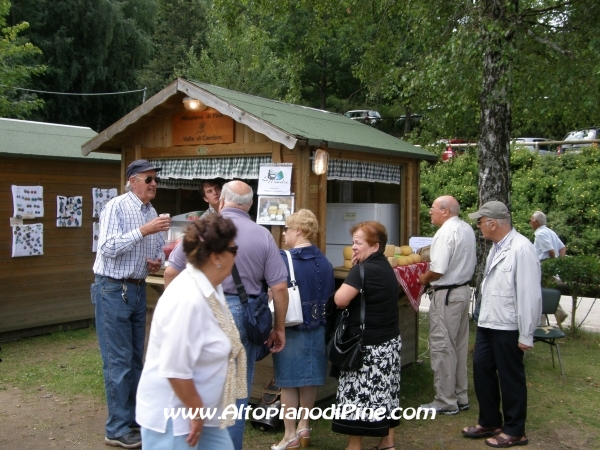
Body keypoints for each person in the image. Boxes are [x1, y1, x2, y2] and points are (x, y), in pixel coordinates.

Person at [164, 180, 289, 450]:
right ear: (250, 205)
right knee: (236, 389)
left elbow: (171, 272)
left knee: (198, 380)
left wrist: (176, 309)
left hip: (201, 311)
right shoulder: (263, 235)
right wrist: (279, 328)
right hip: (244, 316)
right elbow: (279, 287)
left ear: (221, 202)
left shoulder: (203, 230)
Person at [136, 215, 246, 450]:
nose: (237, 254)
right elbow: (174, 368)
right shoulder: (187, 299)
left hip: (202, 414)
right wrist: (196, 412)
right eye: (233, 248)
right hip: (176, 417)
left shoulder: (210, 287)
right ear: (216, 257)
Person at [92, 159, 172, 448]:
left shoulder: (151, 211)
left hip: (137, 289)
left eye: (155, 179)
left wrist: (156, 261)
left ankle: (135, 420)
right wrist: (144, 231)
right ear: (133, 181)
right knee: (118, 362)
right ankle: (116, 428)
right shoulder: (116, 206)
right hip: (111, 289)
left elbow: (156, 254)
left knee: (137, 360)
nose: (153, 184)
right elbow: (108, 248)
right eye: (148, 179)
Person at [462, 201, 542, 448]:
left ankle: (515, 430)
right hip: (489, 321)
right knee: (482, 369)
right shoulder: (497, 247)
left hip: (508, 325)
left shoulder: (522, 249)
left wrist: (527, 334)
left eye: (480, 221)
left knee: (510, 377)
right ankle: (489, 420)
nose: (478, 226)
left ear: (492, 223)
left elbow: (530, 294)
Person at [332, 221, 401, 450]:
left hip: (366, 347)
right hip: (389, 343)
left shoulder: (362, 270)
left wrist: (355, 270)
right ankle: (387, 443)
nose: (353, 247)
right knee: (386, 394)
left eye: (358, 243)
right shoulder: (386, 267)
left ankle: (354, 446)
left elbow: (340, 300)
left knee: (356, 395)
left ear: (375, 246)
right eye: (353, 242)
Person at [270, 209, 335, 450]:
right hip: (319, 327)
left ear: (298, 231)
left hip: (291, 326)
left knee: (288, 382)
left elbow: (274, 291)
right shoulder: (324, 261)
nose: (284, 233)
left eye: (287, 229)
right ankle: (304, 425)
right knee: (309, 380)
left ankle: (289, 436)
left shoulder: (283, 258)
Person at [418, 196, 476, 415]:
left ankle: (445, 400)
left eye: (433, 208)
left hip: (447, 294)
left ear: (445, 211)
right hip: (462, 291)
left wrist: (422, 279)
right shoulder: (466, 228)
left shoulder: (444, 233)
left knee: (443, 346)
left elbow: (438, 270)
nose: (430, 212)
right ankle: (460, 396)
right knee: (458, 346)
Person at [529, 210, 568, 325]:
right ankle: (559, 312)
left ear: (536, 222)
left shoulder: (540, 234)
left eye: (531, 220)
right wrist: (558, 263)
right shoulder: (550, 232)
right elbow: (562, 248)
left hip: (543, 265)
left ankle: (541, 322)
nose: (530, 222)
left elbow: (550, 251)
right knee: (542, 292)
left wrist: (551, 263)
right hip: (550, 267)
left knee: (537, 293)